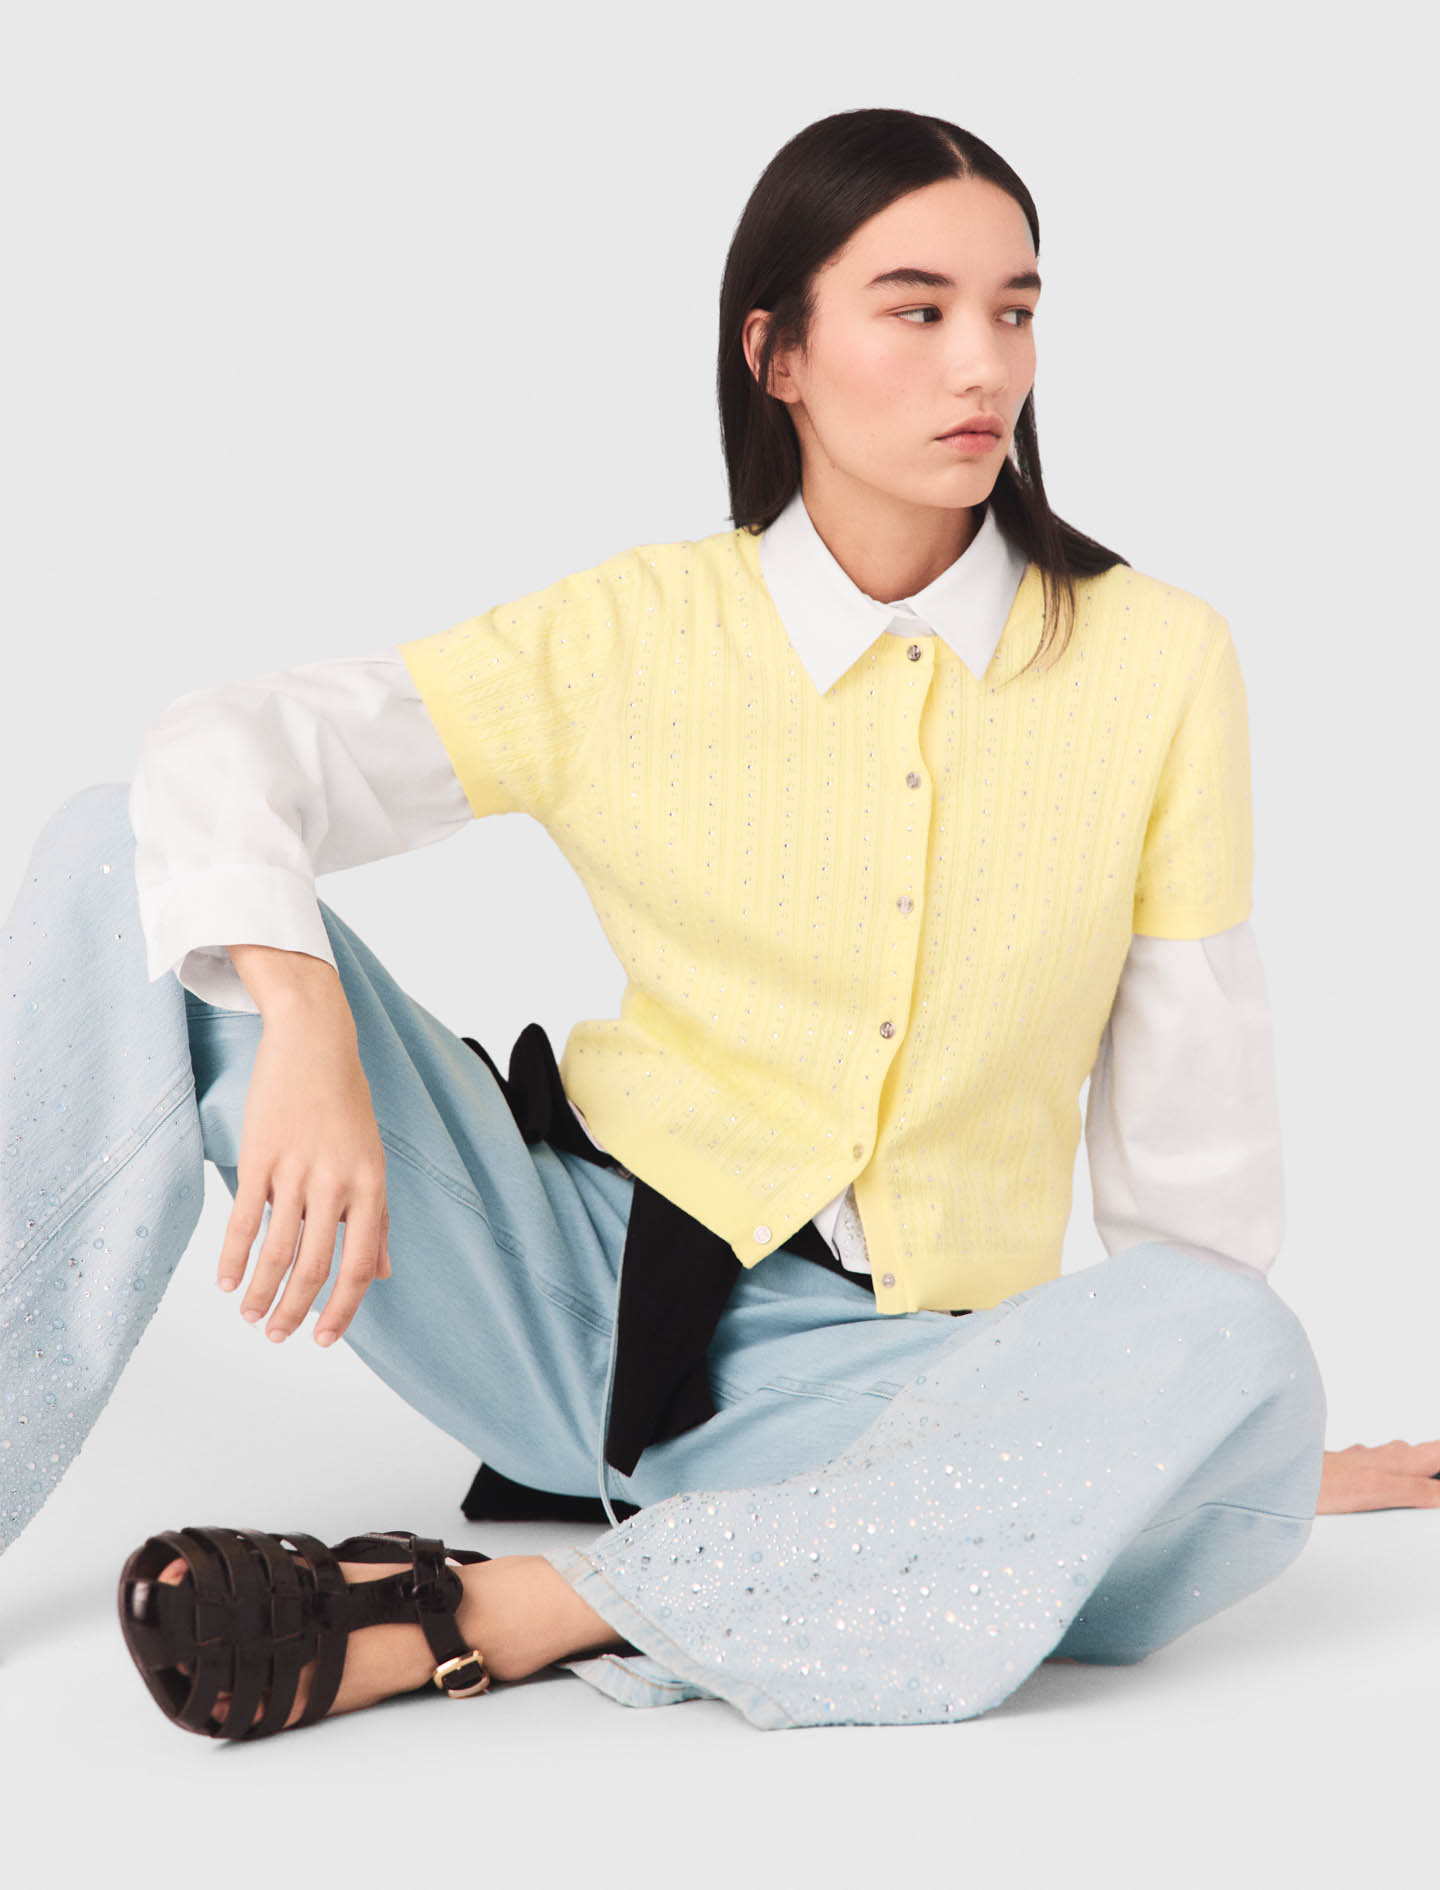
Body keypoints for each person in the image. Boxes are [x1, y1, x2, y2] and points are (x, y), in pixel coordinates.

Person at [3, 107, 1436, 1742]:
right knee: (118, 853)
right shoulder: (639, 632)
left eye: (1016, 310)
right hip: (557, 1286)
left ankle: (518, 1607)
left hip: (891, 1399)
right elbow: (218, 751)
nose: (984, 363)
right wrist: (304, 1012)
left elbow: (1193, 1140)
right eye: (918, 309)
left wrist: (1210, 1432)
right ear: (779, 355)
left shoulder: (1156, 661)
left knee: (1239, 1340)